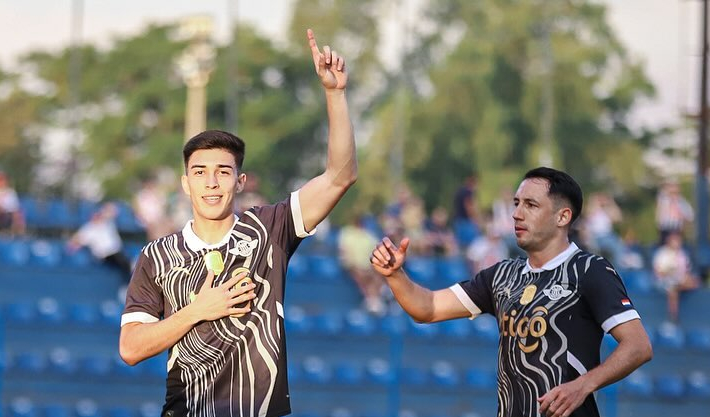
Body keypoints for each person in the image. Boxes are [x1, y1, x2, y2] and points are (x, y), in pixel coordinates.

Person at [119, 29, 356, 417]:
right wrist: (198, 310)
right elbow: (130, 348)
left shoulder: (270, 229)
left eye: (222, 172)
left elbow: (339, 177)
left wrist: (334, 94)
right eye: (200, 172)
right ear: (186, 183)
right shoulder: (156, 255)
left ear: (240, 181)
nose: (211, 182)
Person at [371, 167, 652, 417]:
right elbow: (428, 308)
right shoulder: (502, 275)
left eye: (531, 205)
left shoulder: (590, 270)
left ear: (562, 216)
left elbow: (638, 346)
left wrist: (583, 385)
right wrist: (395, 275)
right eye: (516, 203)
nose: (517, 213)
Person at [67, 202, 132, 282]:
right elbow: (75, 241)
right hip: (104, 256)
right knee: (123, 261)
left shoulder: (107, 223)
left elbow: (113, 210)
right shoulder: (88, 228)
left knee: (124, 260)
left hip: (117, 253)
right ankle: (130, 283)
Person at [652, 231, 700, 323]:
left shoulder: (682, 254)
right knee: (672, 290)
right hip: (664, 281)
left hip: (679, 281)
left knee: (693, 282)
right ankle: (673, 317)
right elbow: (659, 272)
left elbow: (686, 270)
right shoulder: (662, 253)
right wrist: (671, 273)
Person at [0, 170, 26, 236]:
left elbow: (15, 207)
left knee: (18, 214)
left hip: (8, 215)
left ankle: (16, 235)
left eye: (3, 180)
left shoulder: (11, 192)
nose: (2, 182)